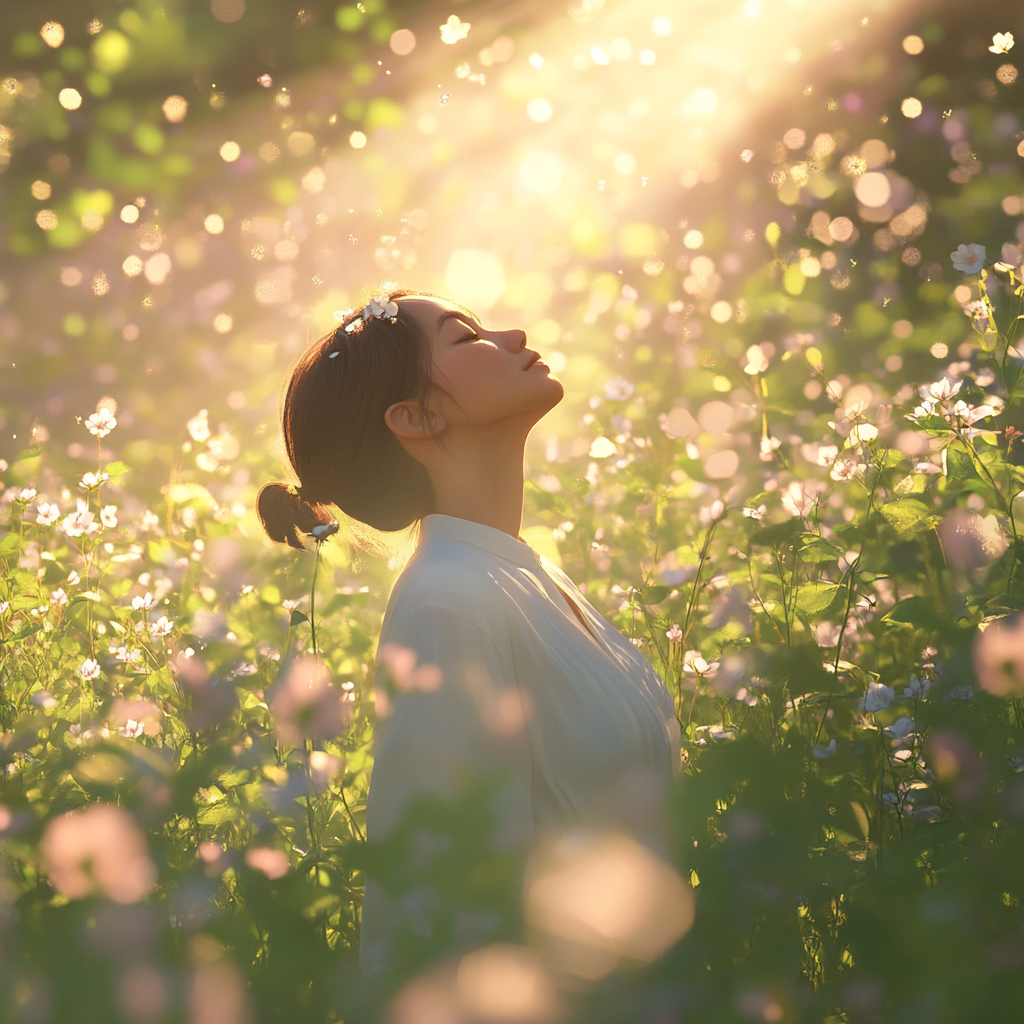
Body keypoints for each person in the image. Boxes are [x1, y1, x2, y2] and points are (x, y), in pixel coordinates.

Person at [256, 290, 681, 975]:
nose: (512, 335)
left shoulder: (524, 575)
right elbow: (440, 900)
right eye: (466, 336)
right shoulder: (446, 604)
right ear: (417, 417)